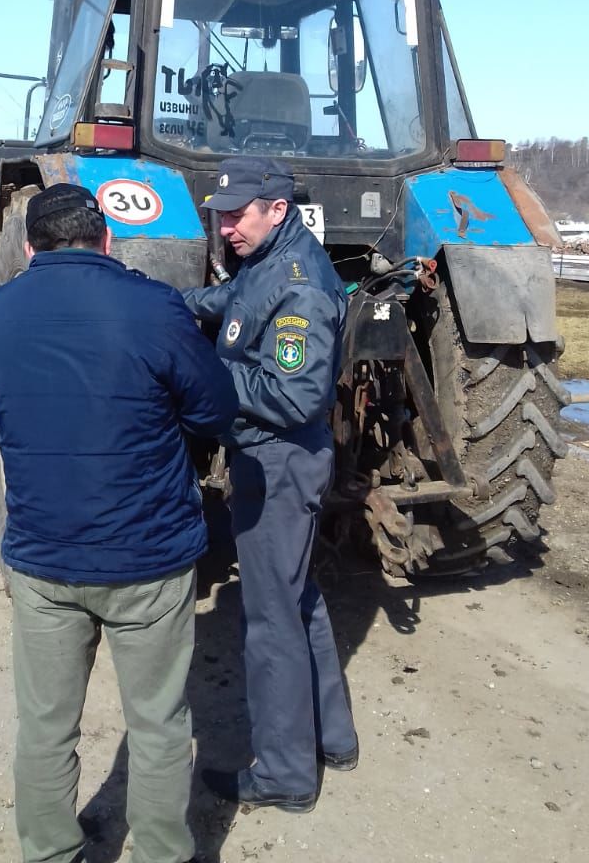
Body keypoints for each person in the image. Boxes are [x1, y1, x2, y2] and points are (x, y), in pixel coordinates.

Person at [0, 182, 239, 863]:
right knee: (158, 725)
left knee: (45, 727)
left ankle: (50, 853)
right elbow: (214, 411)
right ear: (107, 238)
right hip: (147, 559)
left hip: (41, 561)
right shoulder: (153, 308)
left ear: (29, 246)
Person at [182, 156, 357, 814]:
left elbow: (299, 394)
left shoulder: (300, 286)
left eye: (237, 215)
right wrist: (160, 302)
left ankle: (284, 775)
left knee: (271, 619)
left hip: (280, 462)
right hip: (272, 459)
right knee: (296, 597)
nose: (225, 227)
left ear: (277, 208)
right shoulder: (264, 264)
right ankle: (332, 737)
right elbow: (225, 303)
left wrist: (206, 376)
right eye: (220, 216)